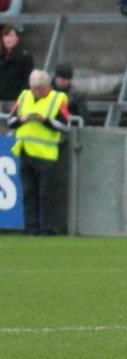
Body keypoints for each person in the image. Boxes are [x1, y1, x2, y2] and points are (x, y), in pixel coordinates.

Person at [6, 69, 71, 235]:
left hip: (47, 154)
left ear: (48, 86)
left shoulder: (58, 99)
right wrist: (22, 119)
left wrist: (46, 121)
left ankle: (48, 229)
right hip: (25, 151)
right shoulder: (24, 96)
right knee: (29, 194)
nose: (37, 92)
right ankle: (31, 229)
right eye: (34, 88)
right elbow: (10, 121)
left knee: (46, 195)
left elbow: (65, 125)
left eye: (40, 88)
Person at [0, 25, 34, 107]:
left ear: (17, 38)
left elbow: (27, 80)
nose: (9, 39)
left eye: (12, 36)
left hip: (16, 100)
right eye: (6, 36)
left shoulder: (25, 56)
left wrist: (21, 98)